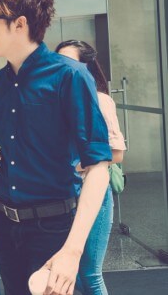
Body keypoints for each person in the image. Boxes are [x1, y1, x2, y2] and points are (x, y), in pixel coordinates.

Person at [0, 0, 113, 295]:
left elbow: (99, 166)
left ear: (19, 24)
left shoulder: (69, 76)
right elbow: (1, 155)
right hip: (4, 225)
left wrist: (72, 252)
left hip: (53, 227)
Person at [56, 40, 126, 295]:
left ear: (85, 67)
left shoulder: (100, 100)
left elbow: (116, 153)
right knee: (68, 273)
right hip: (62, 195)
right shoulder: (55, 99)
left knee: (89, 273)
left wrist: (77, 165)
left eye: (69, 62)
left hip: (93, 192)